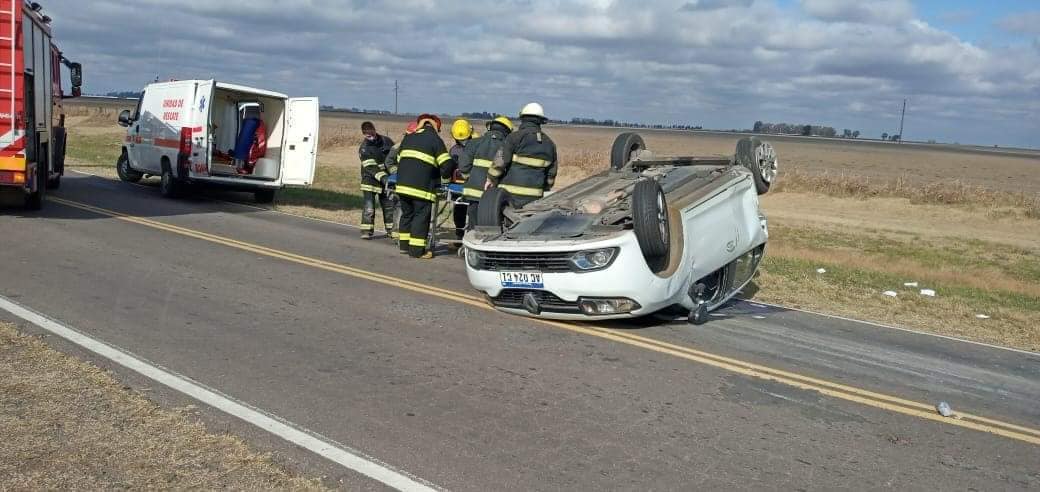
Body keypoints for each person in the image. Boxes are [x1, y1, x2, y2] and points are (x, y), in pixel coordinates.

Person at [395, 114, 455, 259]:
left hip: (402, 186)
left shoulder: (409, 137)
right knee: (420, 217)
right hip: (421, 188)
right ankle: (416, 251)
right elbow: (446, 165)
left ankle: (404, 246)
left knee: (407, 214)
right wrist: (445, 178)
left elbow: (398, 158)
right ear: (436, 127)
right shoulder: (435, 140)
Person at [487, 102, 558, 208]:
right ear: (541, 121)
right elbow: (551, 176)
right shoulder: (549, 144)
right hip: (535, 198)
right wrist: (544, 188)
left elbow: (499, 163)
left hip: (509, 196)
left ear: (522, 118)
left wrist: (490, 179)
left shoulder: (514, 138)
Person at [458, 116, 513, 227]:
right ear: (507, 132)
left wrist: (470, 177)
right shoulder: (507, 148)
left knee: (473, 228)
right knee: (491, 228)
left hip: (473, 193)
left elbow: (463, 167)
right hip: (493, 196)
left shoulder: (474, 143)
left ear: (490, 128)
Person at [358, 121, 396, 240]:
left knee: (389, 206)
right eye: (368, 136)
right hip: (370, 180)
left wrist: (394, 174)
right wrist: (385, 178)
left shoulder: (387, 141)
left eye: (372, 134)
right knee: (369, 207)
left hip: (386, 180)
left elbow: (394, 156)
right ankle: (366, 231)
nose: (371, 137)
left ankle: (391, 231)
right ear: (364, 135)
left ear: (375, 130)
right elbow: (371, 168)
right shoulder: (364, 149)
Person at [448, 119, 475, 241]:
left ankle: (470, 238)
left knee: (474, 213)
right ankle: (459, 236)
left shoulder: (477, 145)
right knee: (459, 211)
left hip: (473, 186)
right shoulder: (454, 150)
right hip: (458, 187)